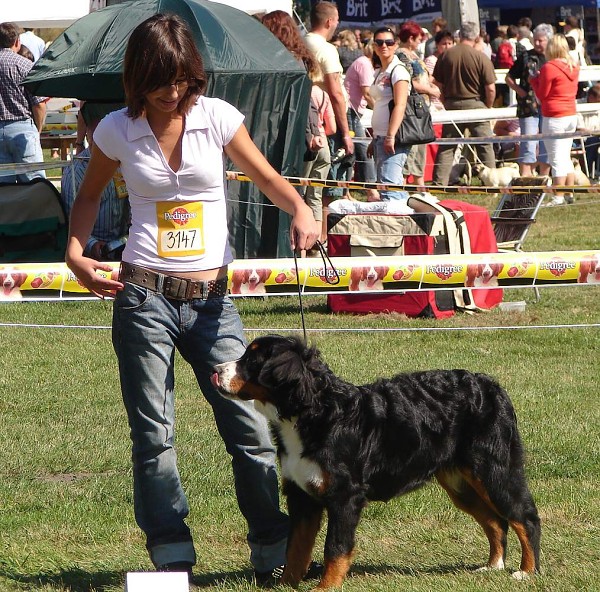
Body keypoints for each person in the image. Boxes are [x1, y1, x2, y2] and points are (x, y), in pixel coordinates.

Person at [65, 13, 318, 586]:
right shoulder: (114, 130)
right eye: (159, 81)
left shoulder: (219, 118)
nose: (171, 92)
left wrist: (300, 208)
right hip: (143, 297)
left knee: (251, 430)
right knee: (153, 434)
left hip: (212, 302)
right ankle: (171, 552)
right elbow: (87, 200)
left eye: (181, 80)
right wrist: (76, 254)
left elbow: (268, 176)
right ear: (137, 77)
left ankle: (271, 545)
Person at [261, 10, 333, 240]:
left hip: (298, 138)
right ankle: (314, 245)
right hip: (310, 138)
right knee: (311, 194)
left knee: (297, 194)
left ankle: (301, 246)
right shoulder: (299, 60)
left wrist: (311, 133)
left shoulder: (284, 60)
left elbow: (304, 103)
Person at [61, 102, 130, 260]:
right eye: (96, 138)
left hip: (125, 246)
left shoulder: (127, 162)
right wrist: (91, 244)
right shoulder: (76, 172)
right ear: (88, 134)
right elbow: (69, 216)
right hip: (89, 252)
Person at [432, 22, 496, 186]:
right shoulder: (480, 57)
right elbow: (490, 89)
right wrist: (487, 107)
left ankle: (439, 183)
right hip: (476, 106)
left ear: (459, 36)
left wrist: (446, 102)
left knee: (447, 147)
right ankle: (491, 182)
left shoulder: (446, 55)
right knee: (485, 145)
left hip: (452, 106)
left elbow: (437, 85)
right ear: (476, 37)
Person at [304, 1, 354, 204]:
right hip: (329, 119)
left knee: (308, 184)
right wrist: (346, 133)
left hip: (310, 117)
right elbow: (336, 93)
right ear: (329, 21)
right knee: (328, 189)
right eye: (337, 21)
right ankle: (325, 235)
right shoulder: (326, 49)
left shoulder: (301, 42)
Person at [530, 33, 580, 205]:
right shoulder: (574, 65)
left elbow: (542, 94)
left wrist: (534, 81)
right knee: (565, 155)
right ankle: (569, 192)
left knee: (556, 157)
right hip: (570, 114)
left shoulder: (549, 67)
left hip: (554, 115)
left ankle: (558, 196)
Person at [367, 26, 411, 202]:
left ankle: (400, 226)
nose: (383, 46)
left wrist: (390, 136)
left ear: (395, 45)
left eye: (389, 42)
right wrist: (375, 138)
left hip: (393, 138)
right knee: (389, 186)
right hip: (380, 137)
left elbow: (400, 105)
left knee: (389, 189)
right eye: (379, 42)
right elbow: (381, 104)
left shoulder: (398, 70)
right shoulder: (379, 72)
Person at [0, 22, 46, 183]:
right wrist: (37, 131)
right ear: (17, 42)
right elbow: (39, 104)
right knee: (35, 186)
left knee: (4, 192)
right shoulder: (25, 65)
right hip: (22, 128)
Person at [397, 21, 441, 189]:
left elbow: (421, 78)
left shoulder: (413, 55)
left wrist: (431, 86)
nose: (419, 43)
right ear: (410, 38)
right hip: (411, 109)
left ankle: (420, 187)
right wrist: (429, 91)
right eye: (418, 39)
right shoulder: (402, 55)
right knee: (411, 150)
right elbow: (406, 82)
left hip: (421, 108)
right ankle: (402, 187)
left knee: (420, 147)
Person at [505, 23, 553, 177]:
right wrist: (520, 91)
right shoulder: (526, 56)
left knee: (547, 143)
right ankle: (526, 177)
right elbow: (509, 77)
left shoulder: (553, 58)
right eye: (535, 40)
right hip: (528, 106)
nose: (537, 43)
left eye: (541, 40)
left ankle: (545, 177)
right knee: (528, 143)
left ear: (549, 40)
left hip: (548, 107)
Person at [343, 40, 379, 200]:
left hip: (354, 112)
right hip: (350, 112)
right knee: (356, 151)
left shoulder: (365, 63)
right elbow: (367, 93)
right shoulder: (364, 63)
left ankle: (348, 192)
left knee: (356, 152)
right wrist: (380, 110)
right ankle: (370, 191)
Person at [579, 82, 600, 178]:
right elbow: (580, 126)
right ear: (591, 96)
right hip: (583, 136)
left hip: (597, 134)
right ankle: (588, 169)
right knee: (593, 141)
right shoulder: (579, 105)